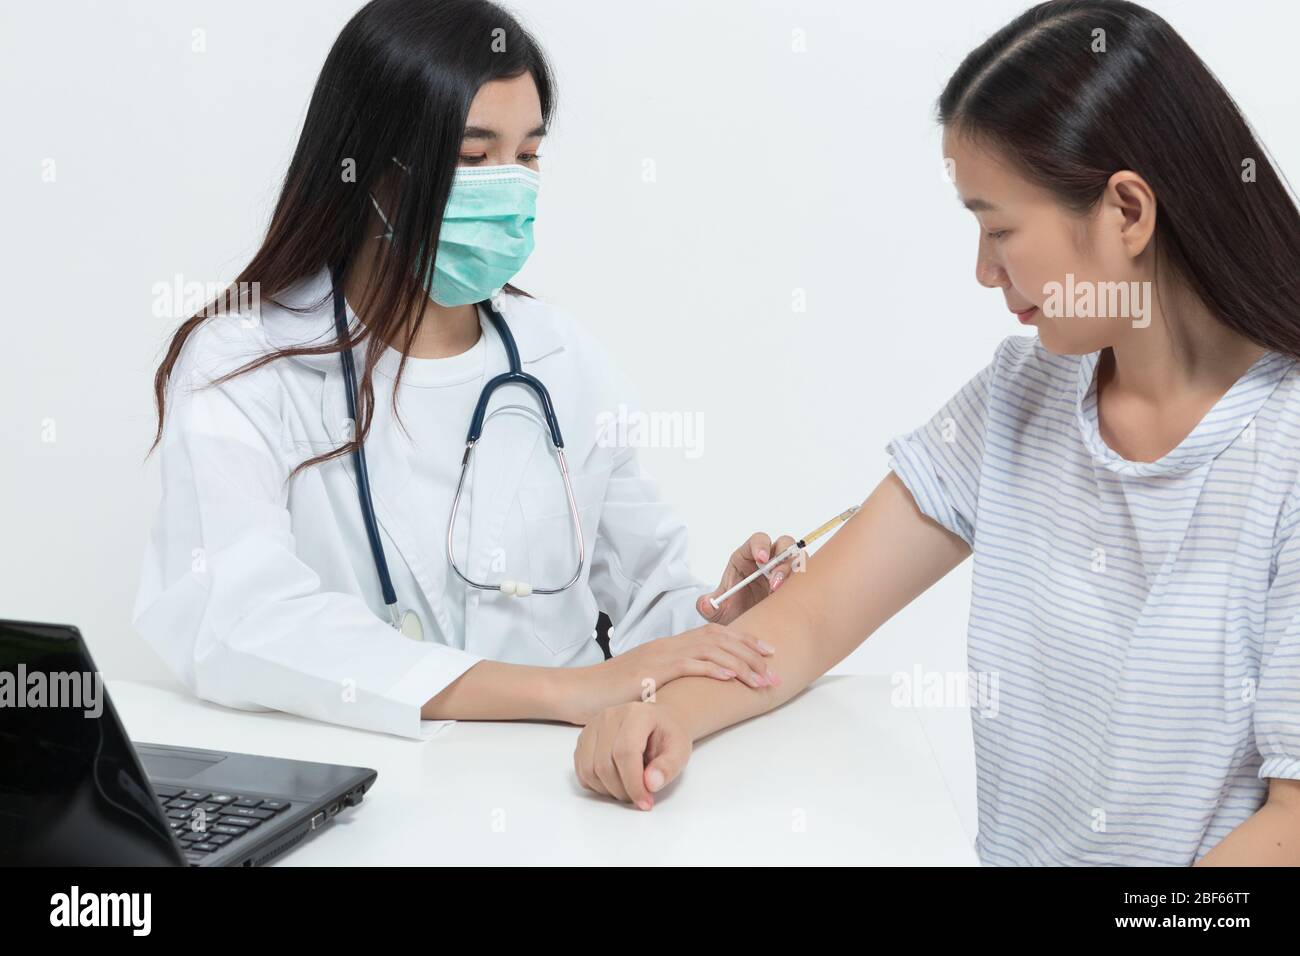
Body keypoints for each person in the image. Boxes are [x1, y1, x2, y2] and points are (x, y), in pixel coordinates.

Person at [572, 0, 1300, 866]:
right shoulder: (1019, 396)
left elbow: (1288, 825)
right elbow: (810, 621)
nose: (984, 269)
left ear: (1128, 211)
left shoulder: (1284, 450)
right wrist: (664, 714)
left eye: (999, 228)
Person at [133, 0, 793, 739]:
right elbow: (236, 620)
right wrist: (562, 691)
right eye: (474, 159)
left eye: (529, 154)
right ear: (369, 169)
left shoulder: (559, 355)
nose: (508, 186)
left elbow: (648, 601)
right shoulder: (242, 365)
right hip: (366, 796)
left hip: (568, 788)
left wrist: (720, 613)